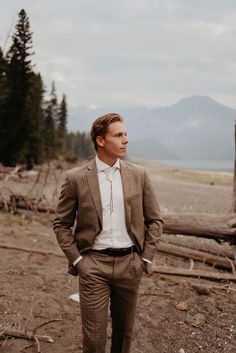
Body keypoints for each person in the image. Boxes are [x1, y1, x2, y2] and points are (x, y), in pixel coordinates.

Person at [53, 113, 163, 353]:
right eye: (119, 135)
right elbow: (61, 224)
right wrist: (78, 260)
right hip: (93, 266)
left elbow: (154, 219)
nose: (125, 140)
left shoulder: (139, 175)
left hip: (130, 264)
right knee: (93, 341)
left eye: (126, 134)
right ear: (101, 141)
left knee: (124, 336)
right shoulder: (76, 178)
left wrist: (146, 257)